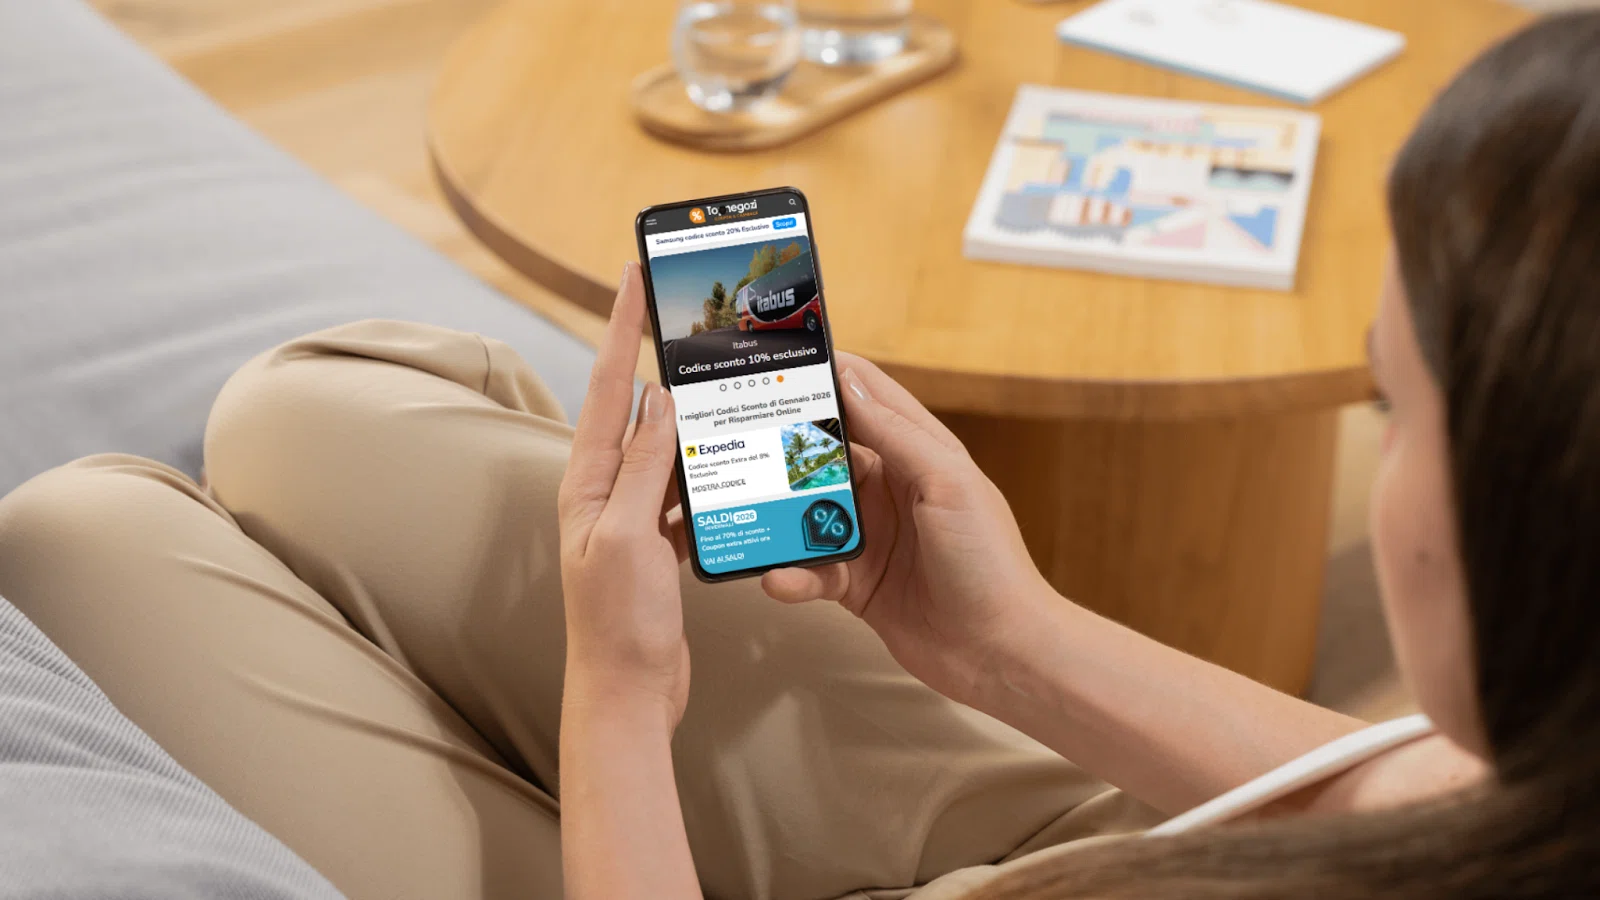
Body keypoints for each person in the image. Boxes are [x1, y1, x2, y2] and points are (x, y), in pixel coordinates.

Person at [1, 10, 1597, 898]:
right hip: (1089, 832)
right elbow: (1434, 798)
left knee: (77, 538)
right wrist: (1008, 639)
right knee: (302, 415)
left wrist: (618, 707)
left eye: (1395, 417)